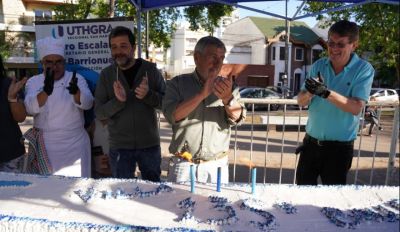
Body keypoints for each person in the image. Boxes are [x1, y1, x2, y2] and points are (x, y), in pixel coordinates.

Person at [296, 20, 374, 185]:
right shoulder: (319, 65)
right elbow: (300, 102)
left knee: (331, 203)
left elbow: (356, 108)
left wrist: (325, 93)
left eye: (340, 44)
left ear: (354, 45)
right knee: (301, 196)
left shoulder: (364, 69)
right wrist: (310, 92)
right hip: (310, 145)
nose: (334, 49)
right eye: (331, 43)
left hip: (339, 150)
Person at [162, 36, 246, 184]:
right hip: (183, 165)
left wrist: (228, 99)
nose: (218, 63)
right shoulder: (177, 83)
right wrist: (202, 95)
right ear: (197, 58)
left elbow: (239, 118)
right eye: (213, 57)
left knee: (216, 207)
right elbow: (172, 116)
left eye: (221, 57)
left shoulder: (228, 87)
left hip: (216, 165)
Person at [95, 26, 165, 181]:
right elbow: (99, 112)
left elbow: (167, 104)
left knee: (154, 191)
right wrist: (118, 102)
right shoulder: (106, 75)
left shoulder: (151, 70)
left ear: (133, 48)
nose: (118, 51)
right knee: (122, 193)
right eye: (114, 47)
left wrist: (148, 95)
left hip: (149, 145)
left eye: (123, 46)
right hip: (120, 147)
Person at [24, 37, 94, 177]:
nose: (54, 67)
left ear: (64, 62)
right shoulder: (34, 81)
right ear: (42, 63)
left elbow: (88, 103)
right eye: (49, 62)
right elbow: (30, 108)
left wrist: (76, 93)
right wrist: (46, 91)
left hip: (76, 144)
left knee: (78, 187)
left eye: (58, 62)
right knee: (48, 191)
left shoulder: (76, 78)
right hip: (46, 145)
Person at [0, 55, 27, 172]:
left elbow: (21, 117)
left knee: (14, 190)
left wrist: (12, 98)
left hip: (10, 155)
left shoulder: (8, 85)